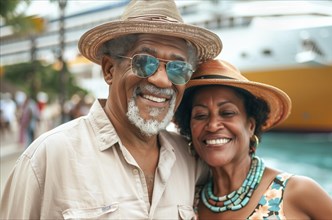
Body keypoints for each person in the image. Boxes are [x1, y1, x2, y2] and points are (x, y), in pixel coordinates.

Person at [0, 0, 221, 219]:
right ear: (109, 70)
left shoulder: (189, 158)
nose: (162, 80)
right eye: (144, 62)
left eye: (178, 68)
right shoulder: (49, 157)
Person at [174, 59, 332, 219]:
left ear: (250, 125)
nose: (212, 125)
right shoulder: (189, 202)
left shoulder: (296, 191)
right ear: (189, 128)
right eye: (201, 115)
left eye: (227, 113)